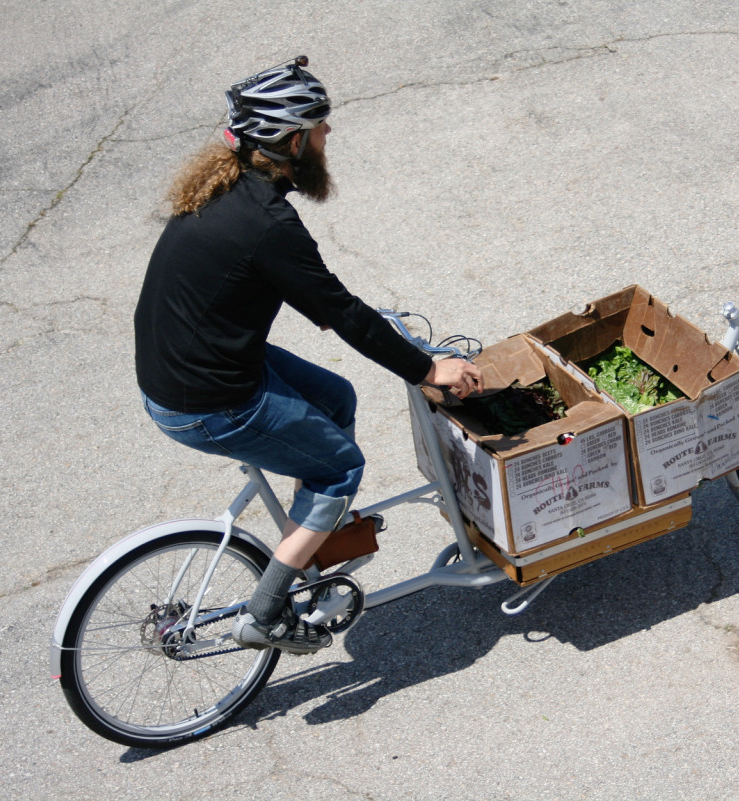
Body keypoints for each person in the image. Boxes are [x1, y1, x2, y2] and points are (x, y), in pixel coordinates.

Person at [133, 56, 483, 655]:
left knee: (334, 397)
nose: (328, 135)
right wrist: (427, 369)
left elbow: (321, 305)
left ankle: (317, 536)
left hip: (191, 370)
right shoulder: (268, 225)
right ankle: (267, 612)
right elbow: (341, 313)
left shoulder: (224, 192)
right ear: (290, 140)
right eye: (319, 126)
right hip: (209, 402)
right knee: (340, 466)